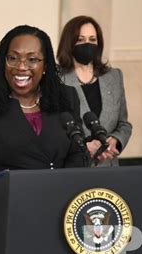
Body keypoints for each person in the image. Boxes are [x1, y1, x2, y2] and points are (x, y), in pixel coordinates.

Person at [0, 25, 87, 184]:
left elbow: (78, 153)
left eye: (32, 59)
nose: (21, 67)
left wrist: (60, 182)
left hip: (58, 198)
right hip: (8, 198)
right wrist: (7, 184)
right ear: (3, 62)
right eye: (13, 58)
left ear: (45, 66)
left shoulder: (65, 97)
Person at [57, 16, 132, 166]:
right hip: (73, 169)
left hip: (108, 169)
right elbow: (53, 131)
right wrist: (81, 148)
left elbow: (124, 124)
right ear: (69, 43)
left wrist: (116, 140)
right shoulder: (57, 79)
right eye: (80, 40)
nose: (87, 44)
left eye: (92, 40)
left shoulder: (114, 76)